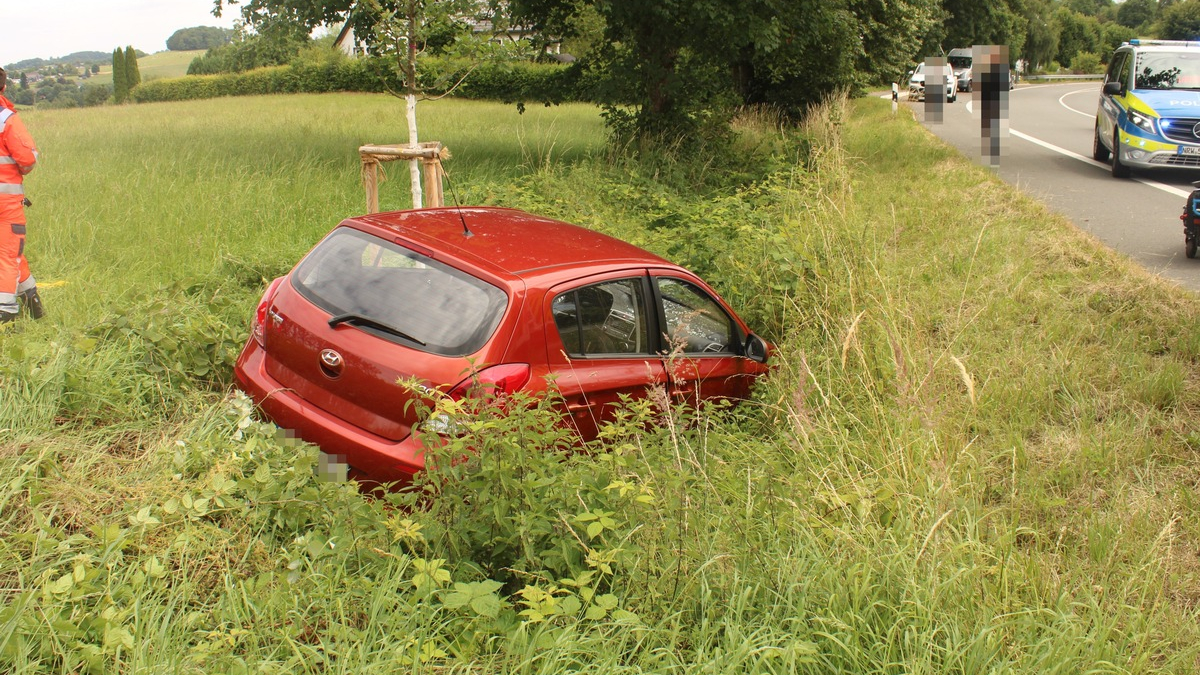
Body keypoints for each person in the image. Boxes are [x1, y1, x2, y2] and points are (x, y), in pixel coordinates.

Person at [0, 66, 44, 323]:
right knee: (8, 253)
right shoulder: (7, 119)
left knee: (11, 251)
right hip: (6, 203)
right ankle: (6, 312)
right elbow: (27, 159)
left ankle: (32, 299)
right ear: (4, 87)